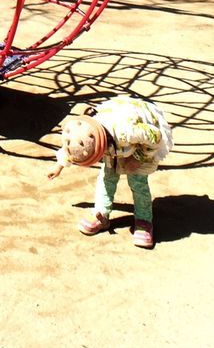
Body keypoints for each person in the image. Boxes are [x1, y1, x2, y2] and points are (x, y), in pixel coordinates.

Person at [48, 94, 173, 249]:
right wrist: (59, 165)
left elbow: (155, 137)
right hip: (114, 143)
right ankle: (101, 213)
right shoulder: (86, 129)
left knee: (137, 181)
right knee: (107, 176)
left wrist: (138, 158)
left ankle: (144, 220)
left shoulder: (127, 132)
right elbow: (73, 145)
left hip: (143, 141)